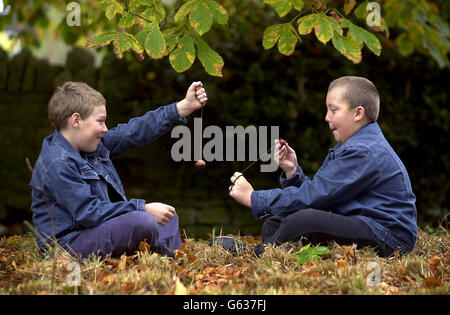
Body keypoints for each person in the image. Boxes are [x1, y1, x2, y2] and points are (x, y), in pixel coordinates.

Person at [227, 76, 417, 257]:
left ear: (358, 113)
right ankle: (281, 251)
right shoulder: (350, 146)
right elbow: (323, 196)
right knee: (276, 223)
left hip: (389, 237)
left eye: (333, 110)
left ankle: (259, 254)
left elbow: (314, 197)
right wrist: (292, 171)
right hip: (363, 223)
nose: (326, 117)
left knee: (304, 220)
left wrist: (254, 198)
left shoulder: (364, 151)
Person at [29, 81, 207, 259]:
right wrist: (141, 208)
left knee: (167, 215)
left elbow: (133, 132)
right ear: (76, 120)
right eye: (100, 121)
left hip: (95, 230)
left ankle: (169, 254)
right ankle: (160, 252)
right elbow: (88, 212)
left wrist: (183, 107)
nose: (105, 129)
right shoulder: (58, 162)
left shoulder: (89, 146)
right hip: (68, 245)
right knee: (143, 221)